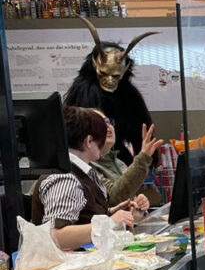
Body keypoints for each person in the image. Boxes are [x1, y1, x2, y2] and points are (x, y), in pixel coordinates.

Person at [31, 106, 136, 249]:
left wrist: (112, 213)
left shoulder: (82, 171)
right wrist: (110, 222)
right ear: (89, 141)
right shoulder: (65, 178)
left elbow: (81, 216)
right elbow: (57, 235)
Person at [93, 116, 163, 208]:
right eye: (100, 123)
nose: (107, 125)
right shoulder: (87, 166)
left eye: (108, 121)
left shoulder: (119, 163)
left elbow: (126, 198)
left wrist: (137, 202)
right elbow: (114, 198)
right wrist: (143, 158)